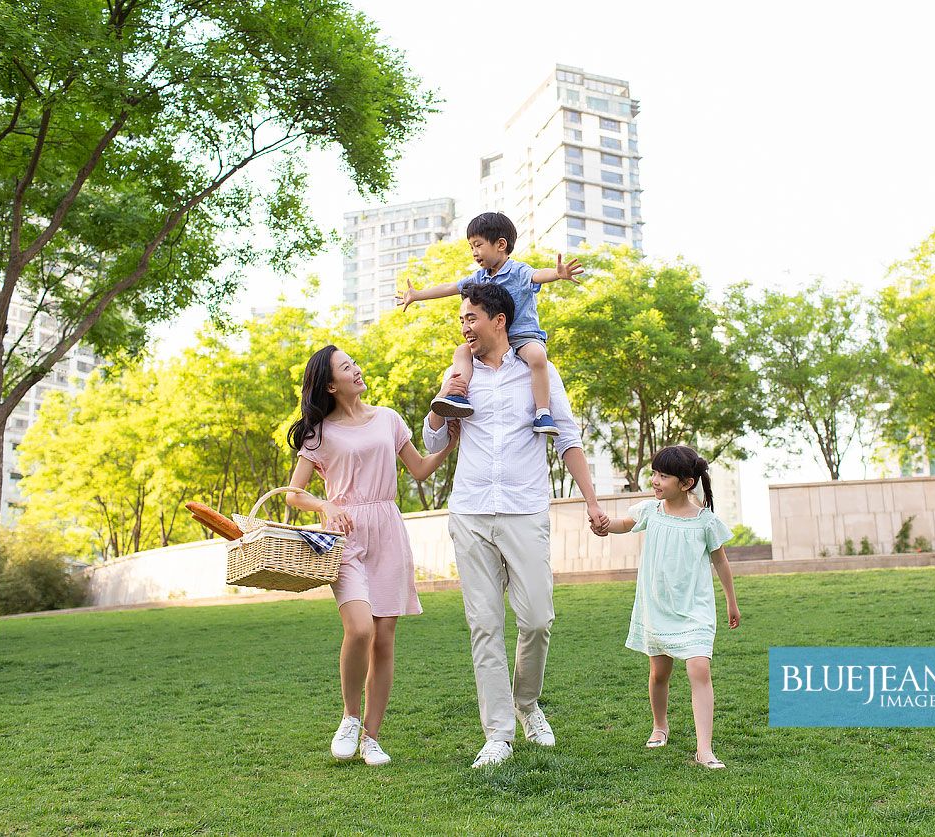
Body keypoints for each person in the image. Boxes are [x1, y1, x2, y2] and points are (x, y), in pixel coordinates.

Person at [423, 282, 610, 768]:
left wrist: (591, 502)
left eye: (471, 318)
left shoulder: (538, 372)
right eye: (461, 319)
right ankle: (498, 734)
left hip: (525, 509)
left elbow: (567, 438)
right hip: (471, 510)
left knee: (536, 620)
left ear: (499, 320)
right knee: (484, 625)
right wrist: (445, 394)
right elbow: (432, 434)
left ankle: (527, 705)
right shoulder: (459, 374)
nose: (464, 326)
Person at [286, 346, 458, 767]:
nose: (357, 369)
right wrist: (325, 506)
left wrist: (451, 443)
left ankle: (371, 736)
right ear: (330, 383)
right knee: (359, 629)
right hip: (344, 538)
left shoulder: (388, 419)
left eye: (355, 363)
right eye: (347, 367)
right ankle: (348, 716)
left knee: (384, 638)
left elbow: (417, 469)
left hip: (388, 531)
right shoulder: (318, 433)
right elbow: (293, 494)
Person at [596, 445, 741, 769]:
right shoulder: (651, 510)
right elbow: (623, 523)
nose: (655, 480)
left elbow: (721, 562)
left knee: (699, 669)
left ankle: (704, 749)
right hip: (658, 606)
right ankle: (659, 726)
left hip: (695, 608)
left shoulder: (706, 522)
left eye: (663, 475)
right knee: (659, 672)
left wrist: (731, 602)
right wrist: (605, 524)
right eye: (654, 473)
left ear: (686, 483)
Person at [398, 211, 583, 437]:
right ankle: (459, 395)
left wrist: (556, 273)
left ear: (500, 244)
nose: (474, 252)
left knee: (536, 356)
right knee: (461, 352)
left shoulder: (518, 271)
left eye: (478, 245)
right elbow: (449, 288)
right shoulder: (479, 278)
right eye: (471, 247)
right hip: (490, 340)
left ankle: (543, 412)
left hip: (521, 335)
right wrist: (418, 295)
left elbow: (537, 275)